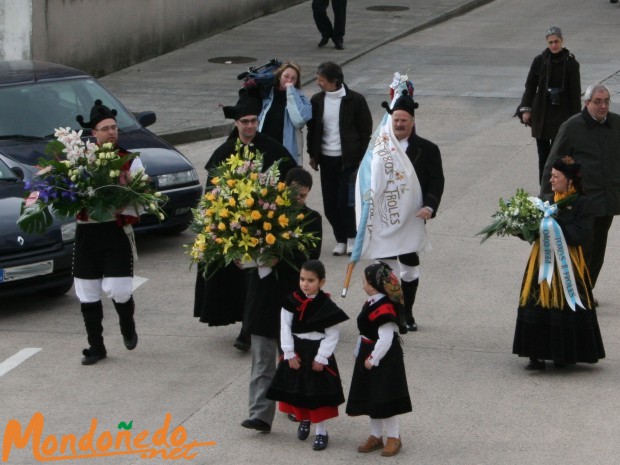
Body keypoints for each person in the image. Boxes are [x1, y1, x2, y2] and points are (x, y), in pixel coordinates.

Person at [193, 98, 297, 352]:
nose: (250, 126)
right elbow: (212, 188)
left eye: (253, 121)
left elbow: (289, 183)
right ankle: (244, 322)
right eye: (245, 122)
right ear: (237, 123)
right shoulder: (225, 150)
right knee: (236, 277)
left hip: (263, 224)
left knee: (256, 277)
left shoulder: (273, 148)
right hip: (232, 224)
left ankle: (247, 330)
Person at [514, 156, 605, 370]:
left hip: (568, 265)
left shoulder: (582, 204)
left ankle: (563, 354)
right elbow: (532, 233)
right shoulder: (546, 199)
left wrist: (555, 225)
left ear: (570, 181)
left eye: (556, 176)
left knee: (565, 305)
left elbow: (581, 235)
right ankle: (535, 354)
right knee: (537, 302)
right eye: (551, 176)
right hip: (542, 264)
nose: (551, 180)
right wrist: (519, 226)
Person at [365, 90, 444, 332]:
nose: (399, 124)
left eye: (404, 120)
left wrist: (429, 206)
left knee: (409, 266)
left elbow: (436, 180)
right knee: (386, 268)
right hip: (384, 216)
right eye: (395, 120)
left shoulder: (428, 149)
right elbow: (365, 177)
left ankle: (407, 312)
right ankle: (391, 311)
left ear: (412, 122)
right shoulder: (378, 148)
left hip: (411, 217)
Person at [73, 100, 141, 365]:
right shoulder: (80, 162)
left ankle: (127, 324)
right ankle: (96, 347)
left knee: (118, 289)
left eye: (114, 127)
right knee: (87, 292)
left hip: (115, 231)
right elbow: (67, 194)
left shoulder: (130, 161)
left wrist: (124, 202)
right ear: (94, 133)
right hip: (87, 233)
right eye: (105, 128)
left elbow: (142, 196)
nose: (112, 132)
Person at [541, 84, 620, 295]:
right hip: (583, 202)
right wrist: (547, 198)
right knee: (582, 249)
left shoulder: (617, 124)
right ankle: (577, 292)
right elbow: (553, 163)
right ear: (587, 103)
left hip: (608, 201)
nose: (603, 106)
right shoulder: (572, 127)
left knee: (598, 252)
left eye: (606, 101)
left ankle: (586, 289)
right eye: (597, 102)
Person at [267, 260, 348, 451]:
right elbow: (284, 327)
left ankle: (321, 431)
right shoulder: (291, 301)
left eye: (310, 280)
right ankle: (304, 419)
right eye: (302, 279)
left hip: (316, 352)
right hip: (297, 351)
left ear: (322, 282)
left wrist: (322, 357)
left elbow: (332, 334)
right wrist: (289, 353)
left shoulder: (326, 305)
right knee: (299, 389)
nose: (305, 284)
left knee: (316, 393)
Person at [346, 262, 412, 457]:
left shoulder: (384, 309)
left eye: (364, 281)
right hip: (368, 351)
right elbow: (364, 331)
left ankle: (394, 437)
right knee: (372, 398)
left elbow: (386, 339)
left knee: (385, 398)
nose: (362, 284)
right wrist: (359, 351)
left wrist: (372, 359)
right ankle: (376, 436)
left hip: (383, 359)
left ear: (373, 285)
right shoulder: (372, 302)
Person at [307, 61, 372, 256]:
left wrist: (361, 157)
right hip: (327, 160)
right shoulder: (317, 101)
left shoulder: (356, 100)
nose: (318, 82)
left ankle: (352, 237)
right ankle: (340, 239)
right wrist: (312, 153)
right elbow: (312, 130)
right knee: (330, 204)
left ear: (335, 81)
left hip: (349, 161)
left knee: (346, 202)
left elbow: (365, 130)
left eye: (322, 79)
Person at [516, 26, 581, 183]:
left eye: (556, 41)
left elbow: (575, 93)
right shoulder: (540, 61)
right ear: (547, 42)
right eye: (550, 42)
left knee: (559, 155)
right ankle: (543, 189)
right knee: (543, 156)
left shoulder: (571, 63)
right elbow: (530, 86)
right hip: (542, 115)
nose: (553, 45)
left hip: (563, 114)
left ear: (562, 41)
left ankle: (559, 187)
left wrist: (577, 119)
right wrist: (526, 109)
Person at [259, 62, 312, 165]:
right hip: (264, 150)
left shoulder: (300, 97)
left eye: (293, 78)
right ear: (279, 76)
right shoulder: (267, 94)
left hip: (286, 153)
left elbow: (300, 120)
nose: (289, 81)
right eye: (286, 76)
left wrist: (291, 92)